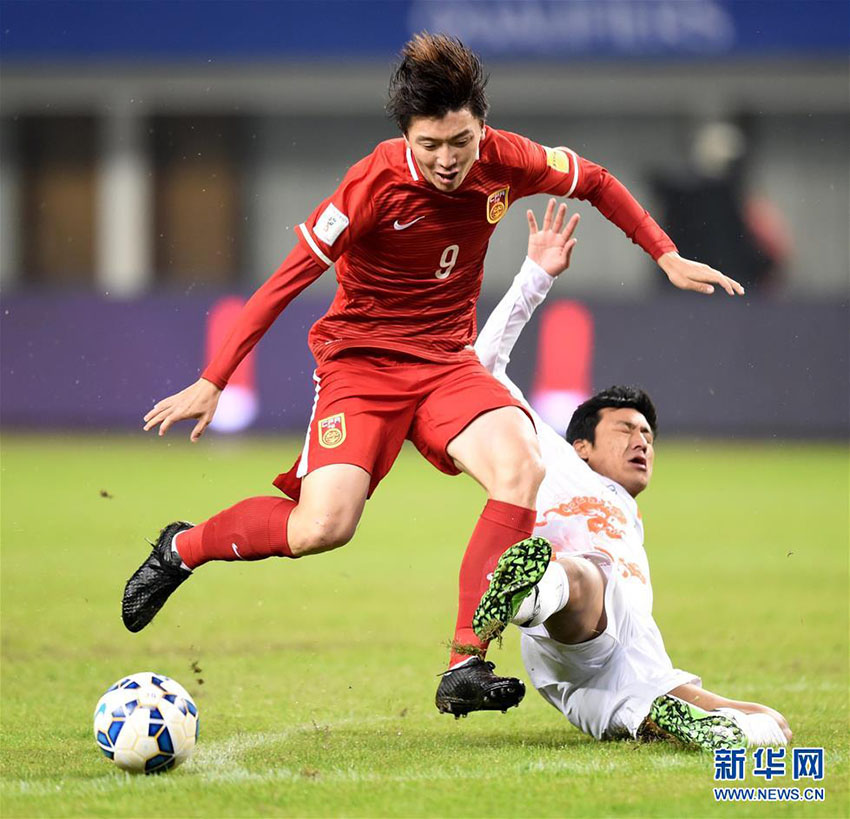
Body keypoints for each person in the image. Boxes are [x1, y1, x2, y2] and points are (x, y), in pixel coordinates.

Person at [124, 33, 743, 718]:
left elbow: (593, 180)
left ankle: (463, 662)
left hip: (447, 362)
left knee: (521, 467)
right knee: (322, 526)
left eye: (461, 141)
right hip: (361, 367)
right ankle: (183, 546)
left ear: (482, 125)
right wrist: (215, 377)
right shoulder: (368, 185)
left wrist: (664, 254)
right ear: (406, 136)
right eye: (430, 145)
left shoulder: (508, 159)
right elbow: (284, 281)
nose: (448, 160)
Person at [470, 200, 790, 748]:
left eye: (648, 435)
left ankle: (654, 717)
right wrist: (535, 277)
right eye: (626, 430)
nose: (642, 440)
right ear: (583, 447)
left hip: (620, 662)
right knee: (588, 575)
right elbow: (484, 367)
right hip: (576, 619)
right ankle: (529, 593)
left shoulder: (627, 521)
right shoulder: (557, 463)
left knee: (769, 729)